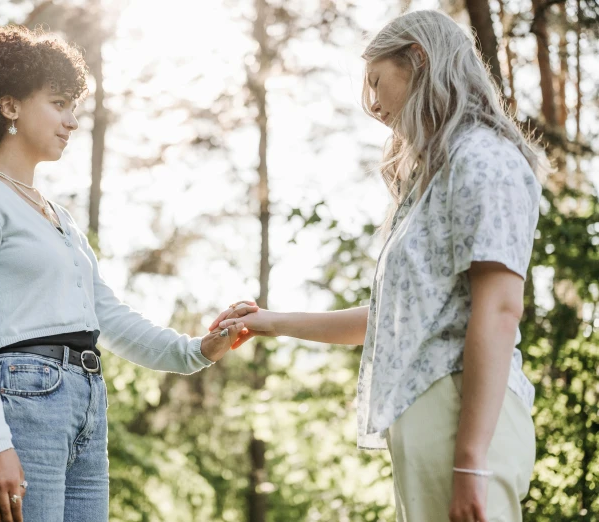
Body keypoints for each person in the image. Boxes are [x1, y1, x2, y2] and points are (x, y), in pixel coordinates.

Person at [213, 10, 549, 522]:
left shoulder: (484, 158)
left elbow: (501, 309)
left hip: (465, 420)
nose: (372, 105)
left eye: (376, 81)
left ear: (417, 59)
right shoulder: (432, 180)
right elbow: (393, 317)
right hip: (429, 425)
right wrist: (271, 322)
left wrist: (469, 462)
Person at [0, 26, 251, 522]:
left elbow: (108, 317)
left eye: (73, 106)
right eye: (59, 103)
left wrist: (195, 351)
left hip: (85, 403)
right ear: (10, 106)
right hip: (21, 404)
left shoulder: (58, 218)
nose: (72, 120)